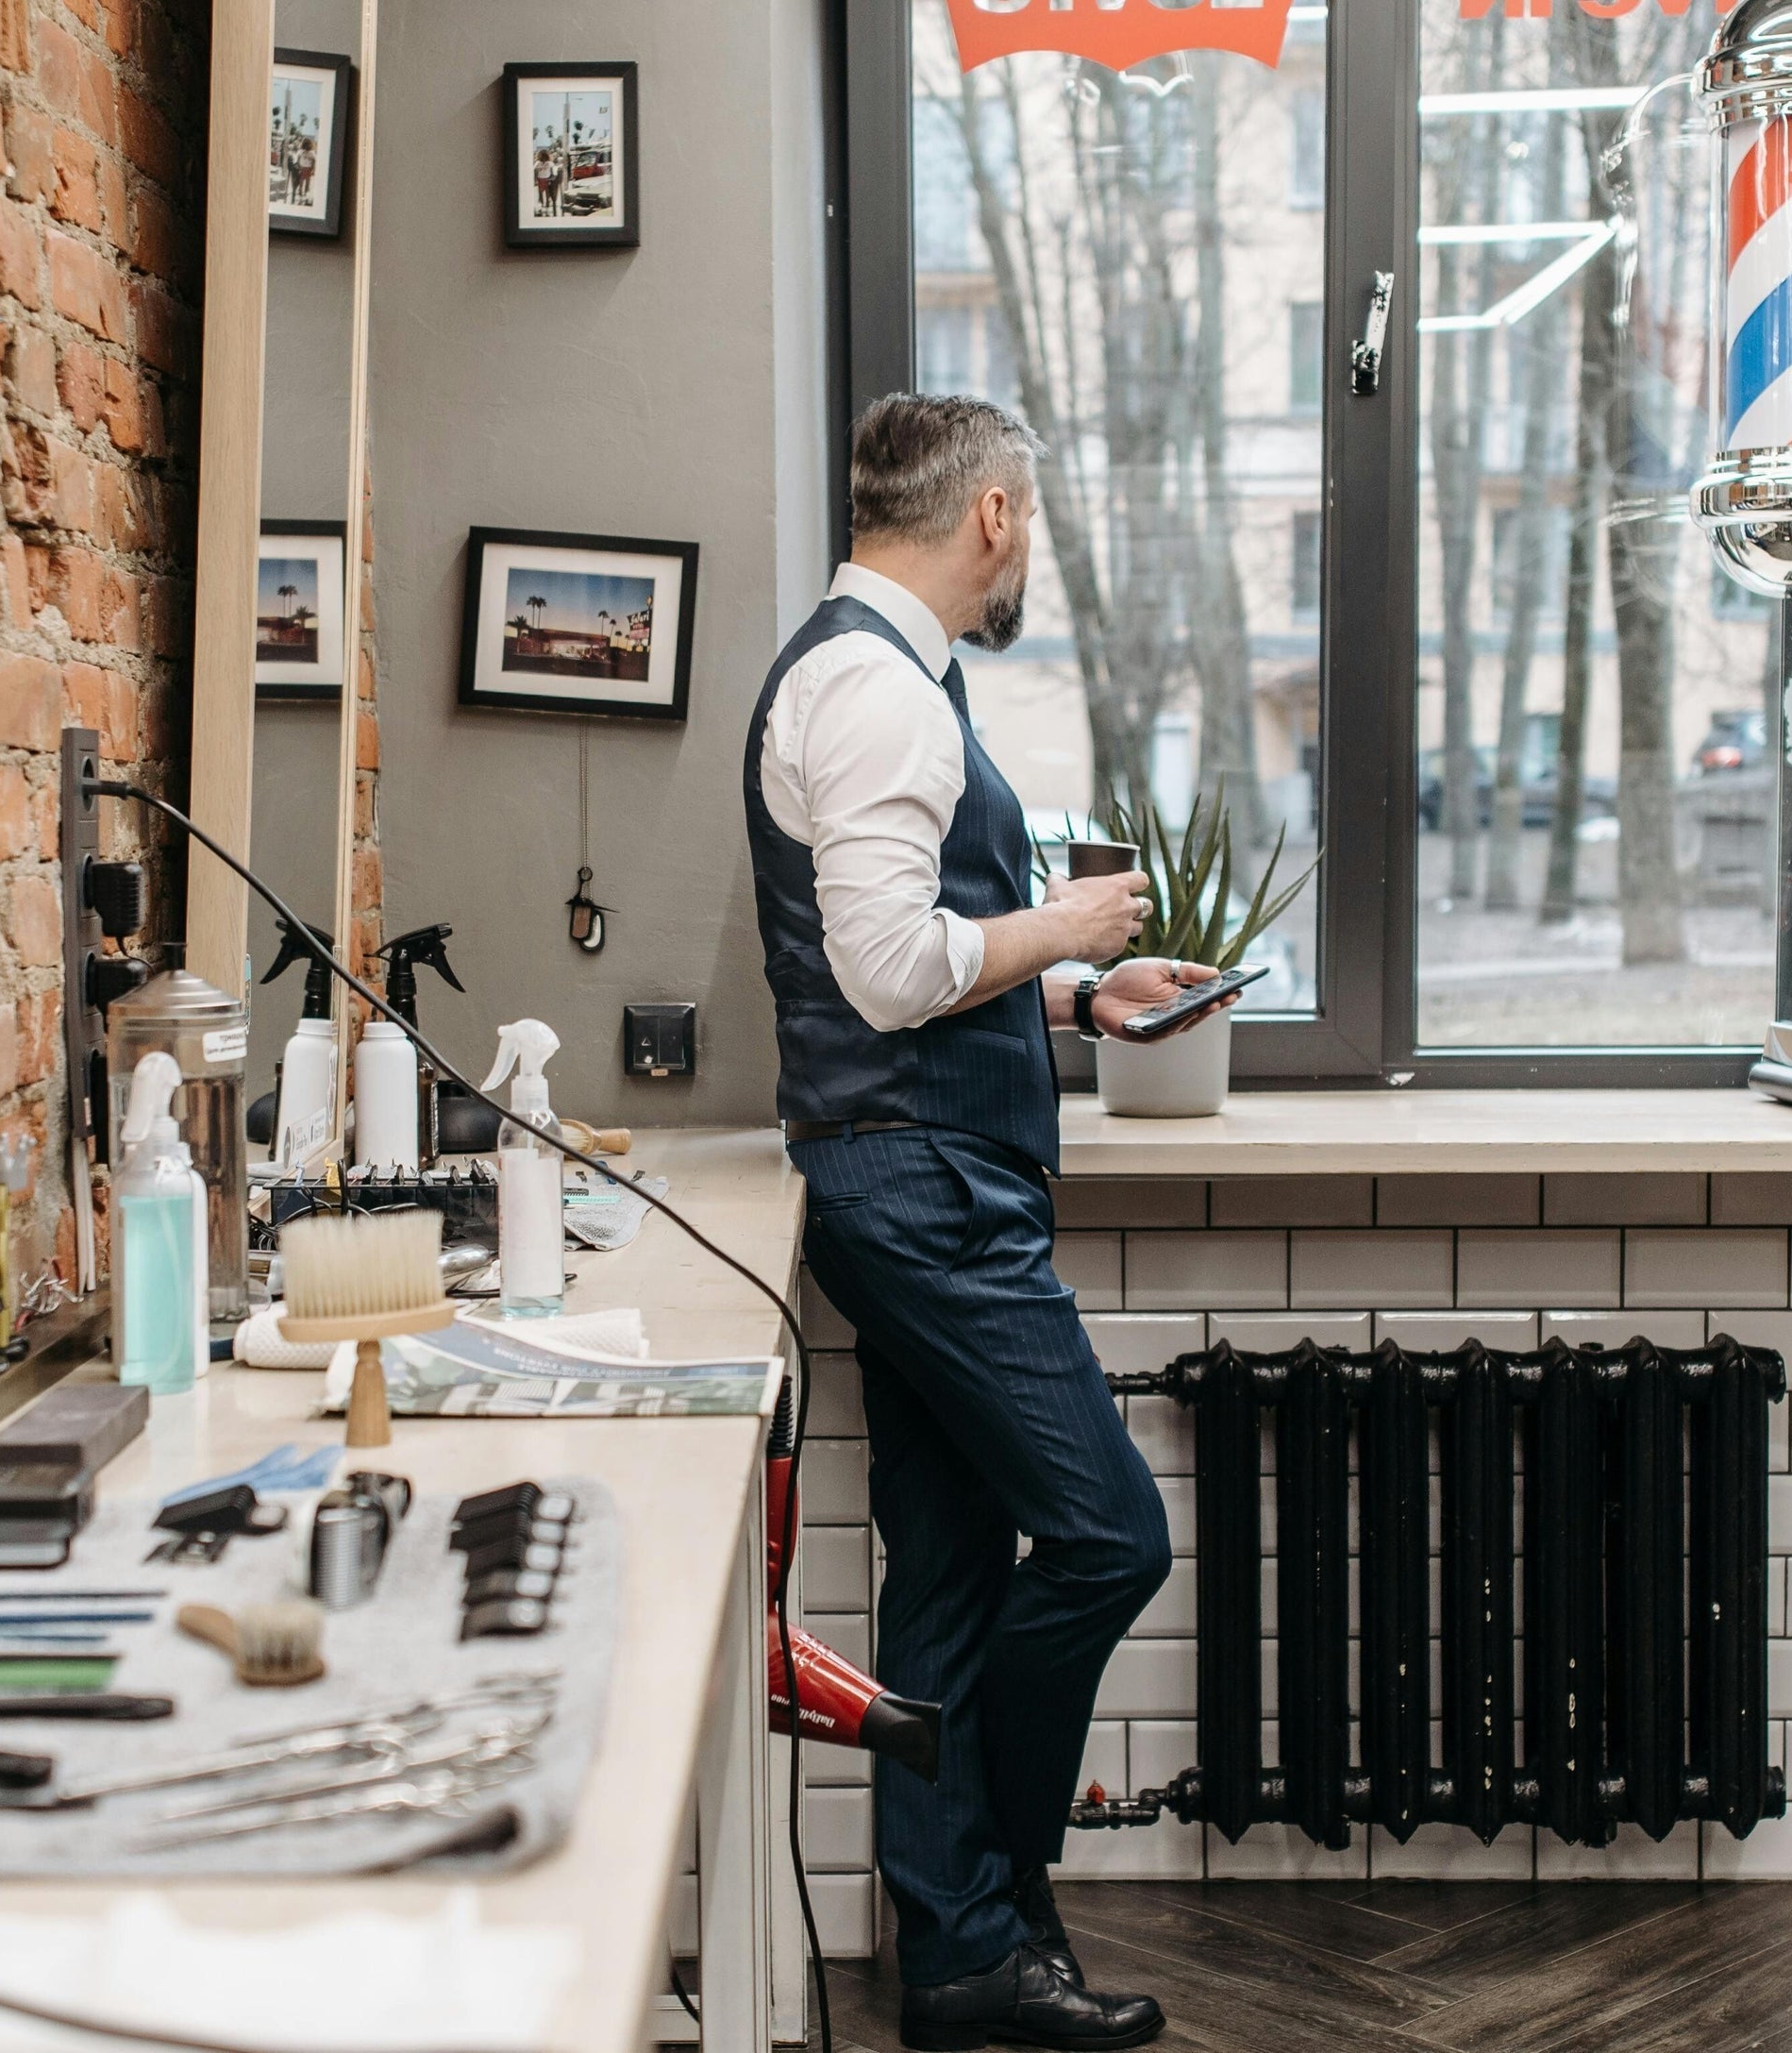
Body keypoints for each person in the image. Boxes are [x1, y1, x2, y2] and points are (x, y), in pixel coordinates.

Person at [746, 392, 1232, 2050]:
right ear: (999, 517)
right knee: (1113, 1536)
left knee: (950, 1577)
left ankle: (960, 1964)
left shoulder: (869, 676)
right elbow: (892, 977)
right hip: (928, 1195)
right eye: (1030, 520)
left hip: (918, 1179)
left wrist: (1085, 995)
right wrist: (1068, 918)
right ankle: (1012, 1876)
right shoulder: (878, 691)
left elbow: (916, 953)